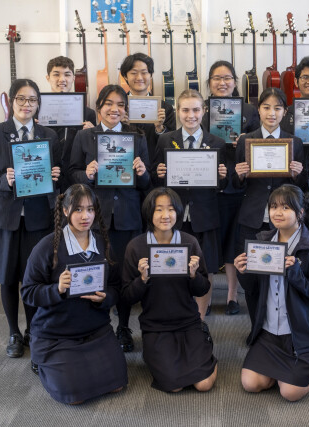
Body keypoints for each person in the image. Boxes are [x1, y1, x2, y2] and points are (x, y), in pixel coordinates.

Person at [0, 78, 61, 358]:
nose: (27, 104)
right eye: (21, 99)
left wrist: (56, 175)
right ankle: (14, 332)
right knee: (8, 277)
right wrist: (3, 180)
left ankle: (34, 330)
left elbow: (58, 174)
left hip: (38, 217)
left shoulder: (49, 135)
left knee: (33, 277)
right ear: (11, 102)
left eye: (32, 100)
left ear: (38, 104)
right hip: (4, 218)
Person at [21, 184, 127, 404]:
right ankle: (41, 361)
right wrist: (56, 289)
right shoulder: (47, 246)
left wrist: (106, 298)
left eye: (90, 209)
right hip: (56, 334)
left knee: (117, 384)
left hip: (95, 330)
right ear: (65, 210)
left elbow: (116, 286)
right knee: (74, 396)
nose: (85, 216)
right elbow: (28, 292)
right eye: (78, 209)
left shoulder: (103, 244)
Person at [68, 84, 151, 353]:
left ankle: (124, 326)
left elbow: (147, 183)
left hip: (128, 215)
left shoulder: (137, 137)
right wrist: (86, 174)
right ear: (98, 107)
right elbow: (72, 174)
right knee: (96, 271)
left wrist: (142, 172)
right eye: (109, 104)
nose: (115, 109)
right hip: (95, 216)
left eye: (121, 105)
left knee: (125, 274)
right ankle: (96, 326)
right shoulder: (84, 137)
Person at [234, 184, 309, 402]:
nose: (278, 212)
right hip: (270, 332)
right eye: (273, 207)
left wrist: (296, 275)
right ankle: (283, 373)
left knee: (289, 393)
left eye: (286, 207)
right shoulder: (262, 243)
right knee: (250, 384)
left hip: (301, 335)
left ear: (301, 212)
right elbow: (253, 289)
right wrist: (243, 272)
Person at [121, 187, 217, 393]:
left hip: (188, 322)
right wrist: (142, 279)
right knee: (175, 386)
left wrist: (194, 275)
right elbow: (127, 296)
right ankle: (153, 353)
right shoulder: (136, 247)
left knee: (204, 384)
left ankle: (203, 341)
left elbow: (203, 289)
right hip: (156, 326)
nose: (165, 215)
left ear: (178, 212)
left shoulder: (189, 242)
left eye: (171, 209)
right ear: (149, 212)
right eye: (159, 209)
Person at [232, 87, 306, 326]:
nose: (271, 113)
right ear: (258, 110)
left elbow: (302, 187)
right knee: (251, 276)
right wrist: (239, 175)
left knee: (282, 274)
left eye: (277, 108)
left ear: (285, 111)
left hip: (284, 221)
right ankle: (257, 328)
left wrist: (298, 174)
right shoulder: (245, 140)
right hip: (253, 217)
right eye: (266, 107)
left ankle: (281, 327)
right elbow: (235, 184)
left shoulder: (295, 142)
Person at [152, 89, 227, 319]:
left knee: (206, 266)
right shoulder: (165, 139)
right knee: (173, 264)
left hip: (205, 214)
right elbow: (155, 179)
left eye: (195, 110)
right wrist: (159, 173)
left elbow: (223, 185)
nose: (190, 115)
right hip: (174, 215)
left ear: (204, 111)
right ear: (177, 111)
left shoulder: (217, 142)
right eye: (185, 110)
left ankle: (200, 318)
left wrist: (223, 177)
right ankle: (177, 313)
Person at [202, 60, 261, 316]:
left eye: (227, 78)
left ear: (235, 82)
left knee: (232, 244)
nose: (222, 82)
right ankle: (205, 298)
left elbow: (259, 142)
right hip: (209, 186)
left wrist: (245, 142)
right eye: (217, 78)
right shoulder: (202, 110)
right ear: (209, 83)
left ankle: (231, 296)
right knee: (210, 244)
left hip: (238, 187)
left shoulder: (248, 110)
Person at [45, 56, 97, 193]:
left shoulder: (88, 114)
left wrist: (94, 134)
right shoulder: (36, 112)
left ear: (73, 78)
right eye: (56, 74)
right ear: (48, 78)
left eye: (67, 74)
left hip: (77, 180)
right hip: (47, 178)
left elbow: (93, 152)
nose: (62, 79)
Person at [119, 52, 176, 158]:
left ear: (151, 75)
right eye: (133, 73)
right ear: (125, 76)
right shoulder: (118, 108)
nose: (139, 77)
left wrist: (160, 128)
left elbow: (172, 145)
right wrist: (121, 126)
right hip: (126, 163)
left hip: (156, 165)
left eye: (144, 72)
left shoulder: (165, 108)